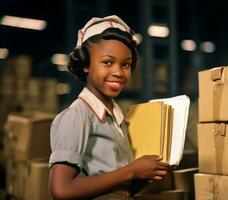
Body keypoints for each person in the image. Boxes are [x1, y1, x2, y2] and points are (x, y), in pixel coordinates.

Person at [48, 15, 169, 200]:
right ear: (86, 64)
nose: (118, 72)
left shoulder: (117, 119)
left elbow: (117, 187)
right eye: (107, 62)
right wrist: (131, 171)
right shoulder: (78, 116)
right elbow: (61, 190)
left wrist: (146, 172)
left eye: (126, 64)